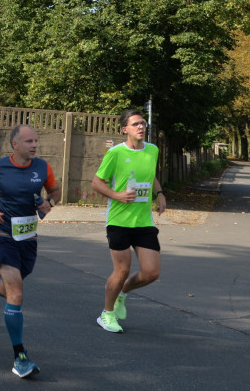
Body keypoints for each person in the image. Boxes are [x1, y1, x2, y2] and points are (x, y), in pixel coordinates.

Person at [0, 124, 59, 379]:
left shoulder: (43, 168)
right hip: (2, 233)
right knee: (15, 290)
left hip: (28, 238)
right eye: (29, 141)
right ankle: (20, 356)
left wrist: (48, 203)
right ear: (15, 145)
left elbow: (55, 191)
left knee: (8, 290)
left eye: (36, 140)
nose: (34, 145)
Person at [91, 108, 166, 334]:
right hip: (119, 221)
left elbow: (150, 173)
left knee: (151, 272)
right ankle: (106, 314)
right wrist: (117, 195)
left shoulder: (152, 150)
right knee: (121, 270)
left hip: (143, 221)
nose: (141, 127)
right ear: (125, 129)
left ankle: (122, 293)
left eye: (143, 123)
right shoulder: (115, 153)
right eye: (136, 124)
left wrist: (159, 194)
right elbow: (96, 182)